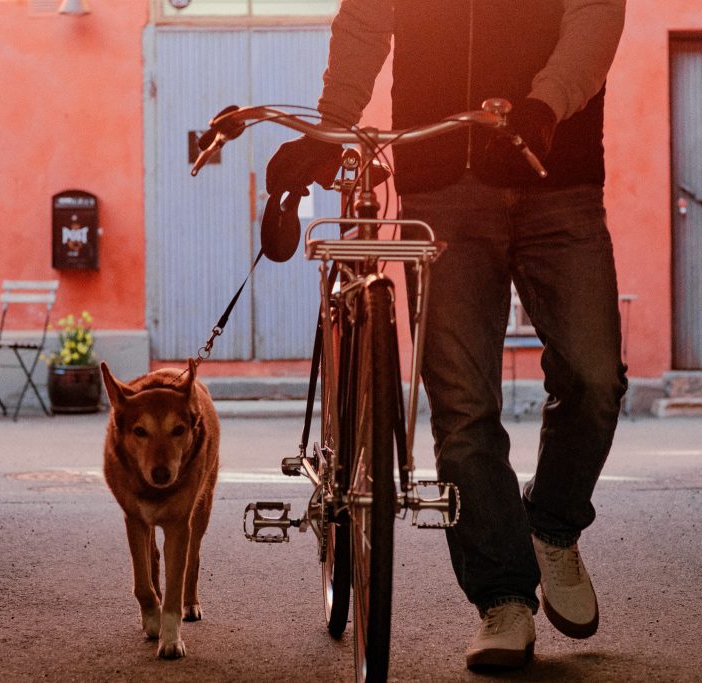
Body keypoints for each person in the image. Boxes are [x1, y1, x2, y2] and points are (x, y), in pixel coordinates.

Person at [266, 0, 628, 671]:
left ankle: (550, 522)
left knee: (595, 376)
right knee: (462, 406)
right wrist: (332, 124)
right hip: (441, 185)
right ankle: (503, 599)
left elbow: (597, 13)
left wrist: (546, 105)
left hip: (555, 170)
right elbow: (366, 22)